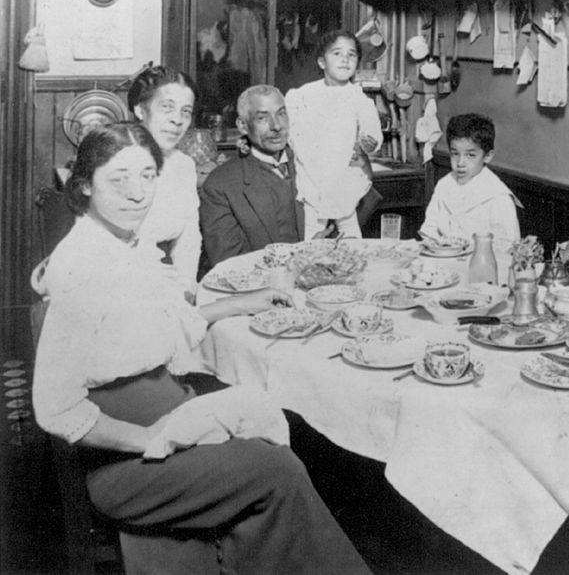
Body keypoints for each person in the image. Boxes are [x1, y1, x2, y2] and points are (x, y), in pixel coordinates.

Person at [33, 122, 369, 573]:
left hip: (176, 418)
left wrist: (239, 304)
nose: (138, 193)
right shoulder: (83, 267)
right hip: (128, 460)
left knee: (272, 443)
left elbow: (157, 330)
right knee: (278, 470)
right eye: (119, 178)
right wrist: (152, 438)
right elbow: (56, 409)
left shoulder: (124, 247)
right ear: (85, 186)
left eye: (148, 175)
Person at [287, 30, 383, 239]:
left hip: (344, 175)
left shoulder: (358, 98)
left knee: (350, 234)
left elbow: (372, 134)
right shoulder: (303, 95)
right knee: (311, 236)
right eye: (337, 53)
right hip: (312, 174)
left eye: (351, 55)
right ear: (322, 62)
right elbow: (293, 132)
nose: (345, 59)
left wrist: (368, 144)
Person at [200, 85, 304, 267]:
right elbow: (230, 265)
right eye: (263, 118)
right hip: (264, 290)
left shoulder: (311, 165)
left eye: (281, 113)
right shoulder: (221, 185)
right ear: (242, 125)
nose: (277, 126)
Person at [125, 66, 204, 284]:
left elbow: (188, 237)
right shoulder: (116, 163)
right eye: (167, 108)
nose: (177, 120)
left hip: (164, 277)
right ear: (141, 110)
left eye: (185, 111)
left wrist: (187, 286)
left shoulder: (184, 166)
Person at [421, 114, 521, 281]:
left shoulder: (498, 196)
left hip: (481, 275)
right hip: (442, 271)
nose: (460, 163)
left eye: (470, 155)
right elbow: (429, 228)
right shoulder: (444, 185)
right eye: (455, 154)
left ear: (487, 156)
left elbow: (507, 249)